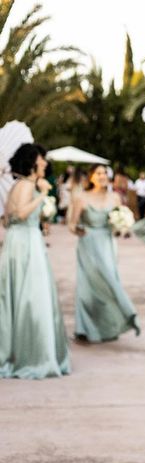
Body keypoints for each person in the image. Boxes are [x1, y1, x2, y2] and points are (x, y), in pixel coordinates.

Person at [0, 143, 70, 379]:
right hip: (26, 244)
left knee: (24, 292)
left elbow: (5, 220)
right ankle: (34, 354)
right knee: (32, 294)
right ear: (32, 162)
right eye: (41, 159)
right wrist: (42, 195)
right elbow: (17, 215)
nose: (44, 163)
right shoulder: (26, 185)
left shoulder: (17, 185)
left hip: (22, 240)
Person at [68, 164, 140, 343]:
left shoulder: (115, 197)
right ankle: (83, 328)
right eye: (98, 173)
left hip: (107, 244)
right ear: (91, 177)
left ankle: (111, 323)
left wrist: (120, 228)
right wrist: (78, 230)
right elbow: (71, 224)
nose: (102, 176)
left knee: (108, 283)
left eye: (104, 173)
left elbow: (119, 220)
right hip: (88, 244)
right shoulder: (81, 198)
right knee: (88, 286)